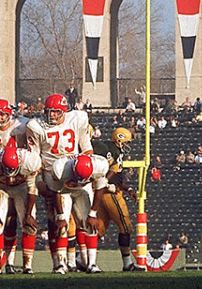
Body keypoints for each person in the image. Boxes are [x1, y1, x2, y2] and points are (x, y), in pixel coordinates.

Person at [26, 93, 93, 272]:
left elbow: (87, 149)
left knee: (84, 219)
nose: (52, 116)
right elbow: (34, 157)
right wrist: (39, 179)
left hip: (73, 170)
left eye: (56, 112)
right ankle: (59, 262)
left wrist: (83, 170)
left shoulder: (78, 119)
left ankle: (88, 261)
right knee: (55, 219)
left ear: (64, 111)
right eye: (49, 112)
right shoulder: (35, 127)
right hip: (50, 173)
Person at [0, 138, 40, 274]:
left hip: (21, 187)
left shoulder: (30, 161)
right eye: (5, 168)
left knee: (29, 226)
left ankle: (28, 266)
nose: (8, 172)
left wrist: (29, 214)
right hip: (0, 187)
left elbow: (32, 188)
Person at [42, 152, 108, 274]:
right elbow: (56, 191)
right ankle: (61, 264)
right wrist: (61, 216)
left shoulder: (100, 166)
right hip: (64, 191)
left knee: (91, 226)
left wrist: (93, 214)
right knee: (62, 226)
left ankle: (92, 264)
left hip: (83, 190)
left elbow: (99, 189)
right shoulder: (60, 168)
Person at [91, 127, 145, 272]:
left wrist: (129, 189)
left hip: (106, 193)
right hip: (111, 195)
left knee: (99, 230)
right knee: (126, 227)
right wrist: (107, 185)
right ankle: (127, 264)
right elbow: (102, 173)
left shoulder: (116, 152)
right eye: (126, 142)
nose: (128, 145)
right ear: (119, 139)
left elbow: (116, 175)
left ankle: (82, 259)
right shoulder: (109, 150)